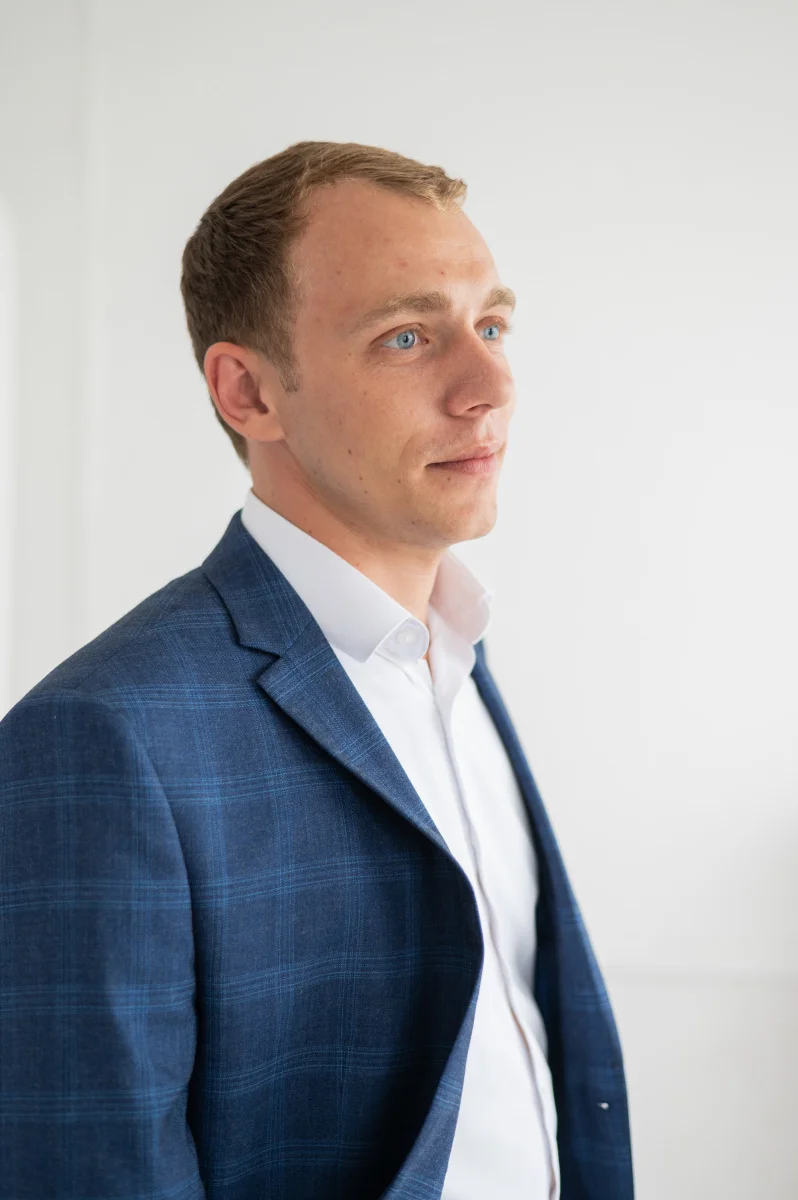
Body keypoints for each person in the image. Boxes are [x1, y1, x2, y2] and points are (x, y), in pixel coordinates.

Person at [0, 141, 634, 1199]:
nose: (490, 388)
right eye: (406, 336)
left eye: (491, 325)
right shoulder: (102, 739)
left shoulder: (456, 657)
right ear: (248, 391)